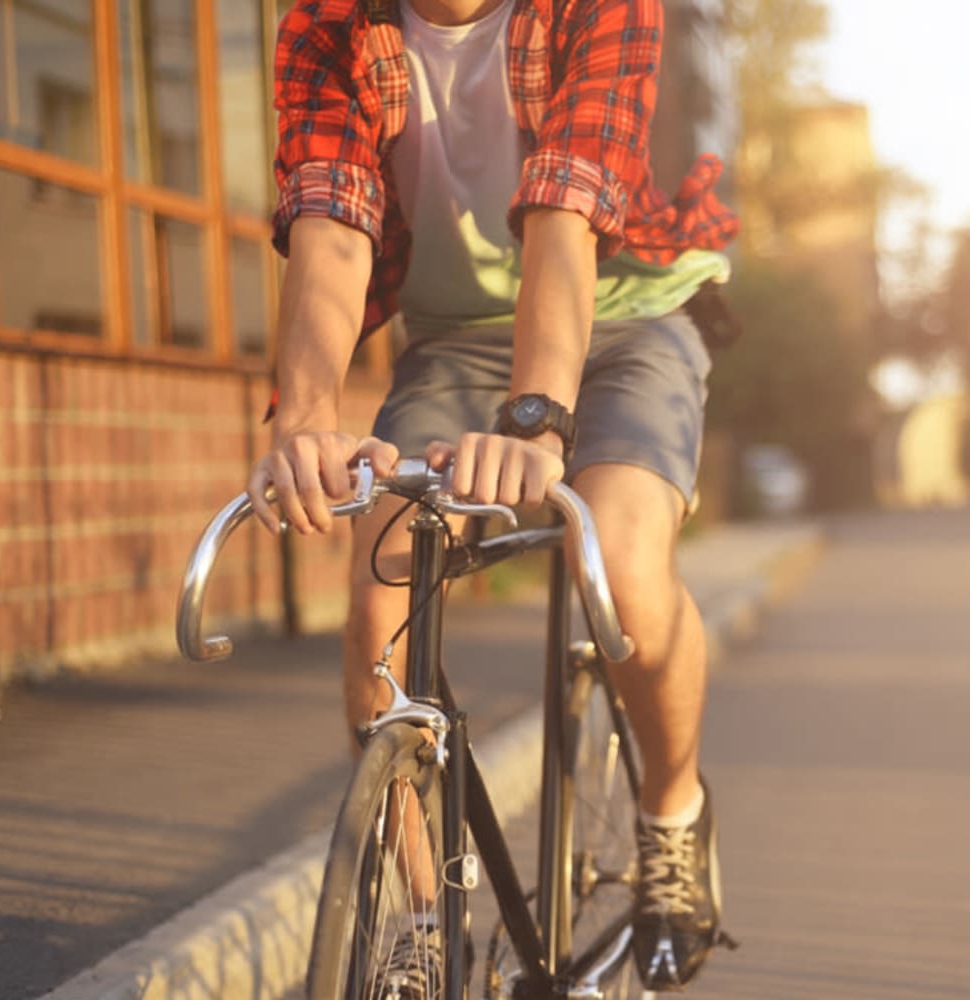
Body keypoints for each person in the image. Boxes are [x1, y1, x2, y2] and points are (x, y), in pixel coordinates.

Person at [247, 0, 739, 990]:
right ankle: (425, 927)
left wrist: (534, 421)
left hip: (631, 309)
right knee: (376, 604)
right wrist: (301, 417)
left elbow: (567, 209)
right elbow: (332, 224)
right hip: (457, 336)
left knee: (626, 563)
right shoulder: (328, 23)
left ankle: (674, 817)